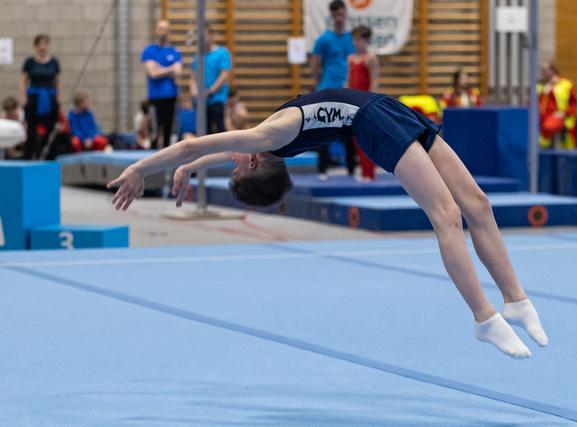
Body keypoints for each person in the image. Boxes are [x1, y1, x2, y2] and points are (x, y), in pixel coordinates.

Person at [108, 88, 549, 359]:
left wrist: (172, 169)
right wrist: (156, 168)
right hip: (372, 121)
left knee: (478, 202)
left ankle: (515, 299)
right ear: (257, 162)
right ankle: (483, 317)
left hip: (386, 109)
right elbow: (197, 146)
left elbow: (200, 149)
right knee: (447, 214)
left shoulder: (269, 140)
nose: (233, 162)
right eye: (235, 169)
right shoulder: (267, 138)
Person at [311, 0, 356, 179]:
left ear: (346, 13)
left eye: (341, 11)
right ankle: (323, 168)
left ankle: (352, 168)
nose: (339, 15)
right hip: (327, 89)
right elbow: (315, 66)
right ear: (331, 15)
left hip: (347, 89)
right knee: (324, 129)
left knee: (349, 131)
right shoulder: (323, 40)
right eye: (335, 12)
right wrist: (317, 88)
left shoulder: (352, 39)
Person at [141, 20, 183, 149]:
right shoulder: (149, 51)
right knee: (155, 129)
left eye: (165, 29)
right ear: (156, 31)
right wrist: (170, 69)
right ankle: (152, 154)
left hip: (171, 96)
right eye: (160, 29)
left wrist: (160, 69)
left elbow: (178, 72)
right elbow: (152, 73)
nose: (162, 32)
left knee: (169, 131)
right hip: (156, 98)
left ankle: (167, 157)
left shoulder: (175, 52)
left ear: (169, 32)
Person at [19, 34, 61, 160]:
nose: (42, 47)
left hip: (49, 98)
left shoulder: (54, 62)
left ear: (48, 45)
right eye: (40, 44)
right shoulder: (30, 62)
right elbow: (23, 81)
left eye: (45, 44)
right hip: (34, 99)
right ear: (36, 46)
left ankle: (50, 158)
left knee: (51, 130)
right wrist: (23, 98)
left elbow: (57, 81)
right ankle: (28, 158)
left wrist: (58, 98)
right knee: (31, 131)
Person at [347, 26, 379, 182]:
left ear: (366, 40)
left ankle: (370, 172)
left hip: (365, 103)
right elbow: (348, 82)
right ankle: (363, 169)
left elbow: (374, 83)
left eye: (358, 40)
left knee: (366, 138)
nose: (355, 43)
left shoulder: (370, 58)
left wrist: (371, 104)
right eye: (353, 40)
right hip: (353, 102)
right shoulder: (351, 58)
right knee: (356, 139)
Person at [189, 27, 232, 135]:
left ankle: (223, 151)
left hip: (216, 99)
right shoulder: (197, 57)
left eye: (204, 35)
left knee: (219, 129)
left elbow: (224, 74)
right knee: (204, 132)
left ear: (210, 35)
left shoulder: (221, 53)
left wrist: (210, 91)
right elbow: (192, 78)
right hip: (201, 102)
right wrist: (194, 93)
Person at [537, 62, 577, 149]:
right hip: (542, 117)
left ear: (552, 71)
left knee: (549, 127)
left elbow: (574, 105)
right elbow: (539, 105)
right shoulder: (540, 86)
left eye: (544, 70)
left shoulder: (566, 84)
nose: (542, 73)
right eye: (541, 71)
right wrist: (546, 90)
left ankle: (540, 145)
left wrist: (564, 113)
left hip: (560, 117)